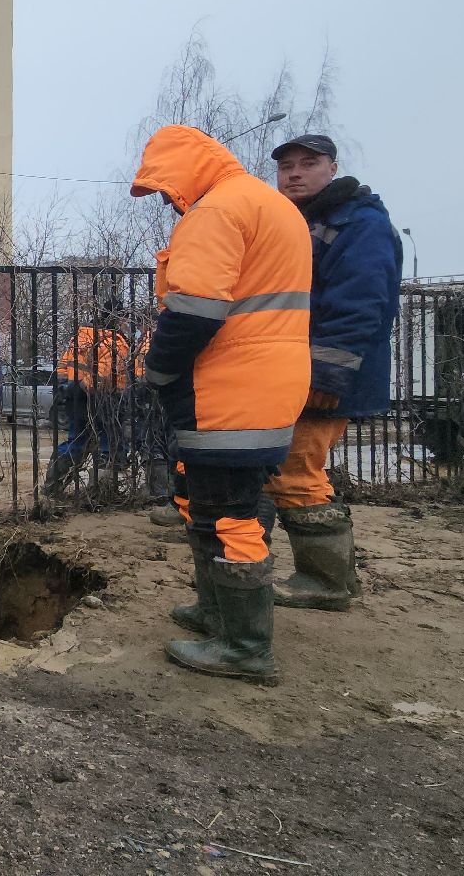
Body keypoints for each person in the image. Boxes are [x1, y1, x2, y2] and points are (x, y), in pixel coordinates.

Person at [131, 125, 311, 684]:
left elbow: (192, 312)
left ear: (185, 169)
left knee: (230, 514)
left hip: (229, 390)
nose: (165, 200)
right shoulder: (269, 203)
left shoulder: (216, 211)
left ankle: (244, 646)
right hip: (265, 385)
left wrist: (156, 369)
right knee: (215, 505)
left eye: (164, 187)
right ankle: (218, 614)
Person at [266, 134, 403, 611]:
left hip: (322, 379)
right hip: (293, 372)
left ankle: (327, 581)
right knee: (274, 469)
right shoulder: (305, 223)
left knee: (297, 470)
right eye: (287, 167)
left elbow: (359, 307)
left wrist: (327, 376)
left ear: (333, 168)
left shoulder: (359, 225)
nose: (295, 174)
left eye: (308, 164)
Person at [46, 300, 135, 492]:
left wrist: (67, 388)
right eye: (124, 318)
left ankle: (52, 485)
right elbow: (111, 377)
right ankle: (100, 491)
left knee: (76, 440)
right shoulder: (114, 342)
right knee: (107, 444)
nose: (126, 323)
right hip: (103, 400)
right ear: (117, 318)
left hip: (75, 396)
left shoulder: (81, 336)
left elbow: (63, 367)